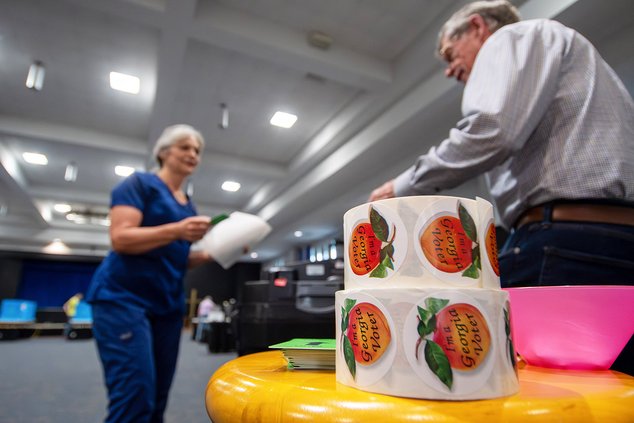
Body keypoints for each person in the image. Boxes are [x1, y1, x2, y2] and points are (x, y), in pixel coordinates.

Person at [369, 0, 634, 288]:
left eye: (449, 54)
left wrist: (404, 185)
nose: (448, 71)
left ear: (477, 27)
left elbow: (493, 130)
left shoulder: (509, 38)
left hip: (563, 236)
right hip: (617, 234)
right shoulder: (584, 60)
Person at [86, 124, 215, 423]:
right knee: (134, 398)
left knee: (157, 399)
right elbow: (121, 238)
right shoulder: (138, 184)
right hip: (123, 299)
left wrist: (214, 253)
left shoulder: (188, 205)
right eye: (185, 146)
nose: (193, 154)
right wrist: (177, 230)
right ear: (163, 152)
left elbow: (175, 259)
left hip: (166, 306)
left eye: (197, 150)